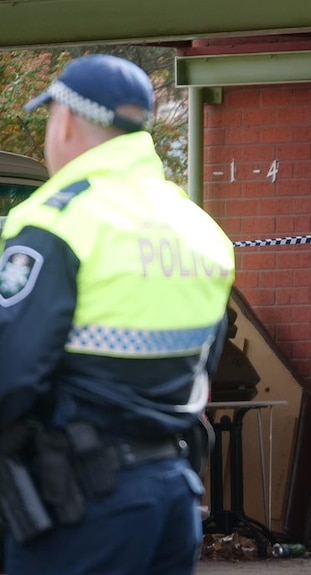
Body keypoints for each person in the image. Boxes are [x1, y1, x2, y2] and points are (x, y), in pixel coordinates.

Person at [0, 54, 235, 575]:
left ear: (64, 119)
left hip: (79, 503)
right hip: (173, 493)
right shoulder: (195, 224)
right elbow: (207, 359)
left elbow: (10, 371)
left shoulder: (58, 219)